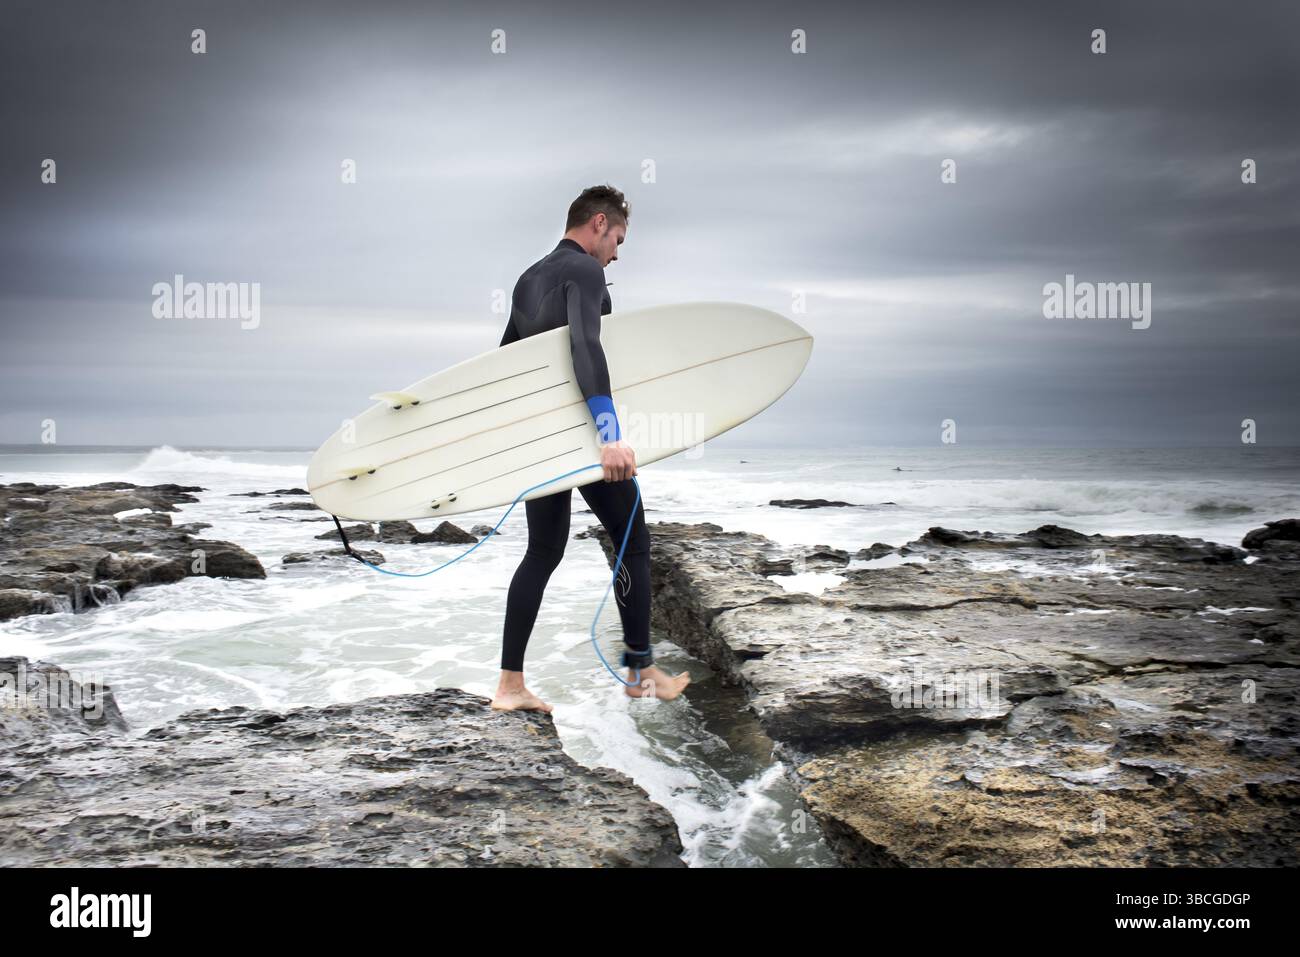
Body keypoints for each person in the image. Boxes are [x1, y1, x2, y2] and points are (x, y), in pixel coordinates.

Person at [490, 184, 691, 713]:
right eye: (619, 238)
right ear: (599, 223)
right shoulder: (584, 271)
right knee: (634, 542)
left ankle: (510, 687)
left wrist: (515, 440)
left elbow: (506, 361)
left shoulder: (528, 278)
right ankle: (640, 672)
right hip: (582, 435)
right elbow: (586, 344)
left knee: (542, 552)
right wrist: (609, 435)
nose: (618, 253)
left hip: (541, 438)